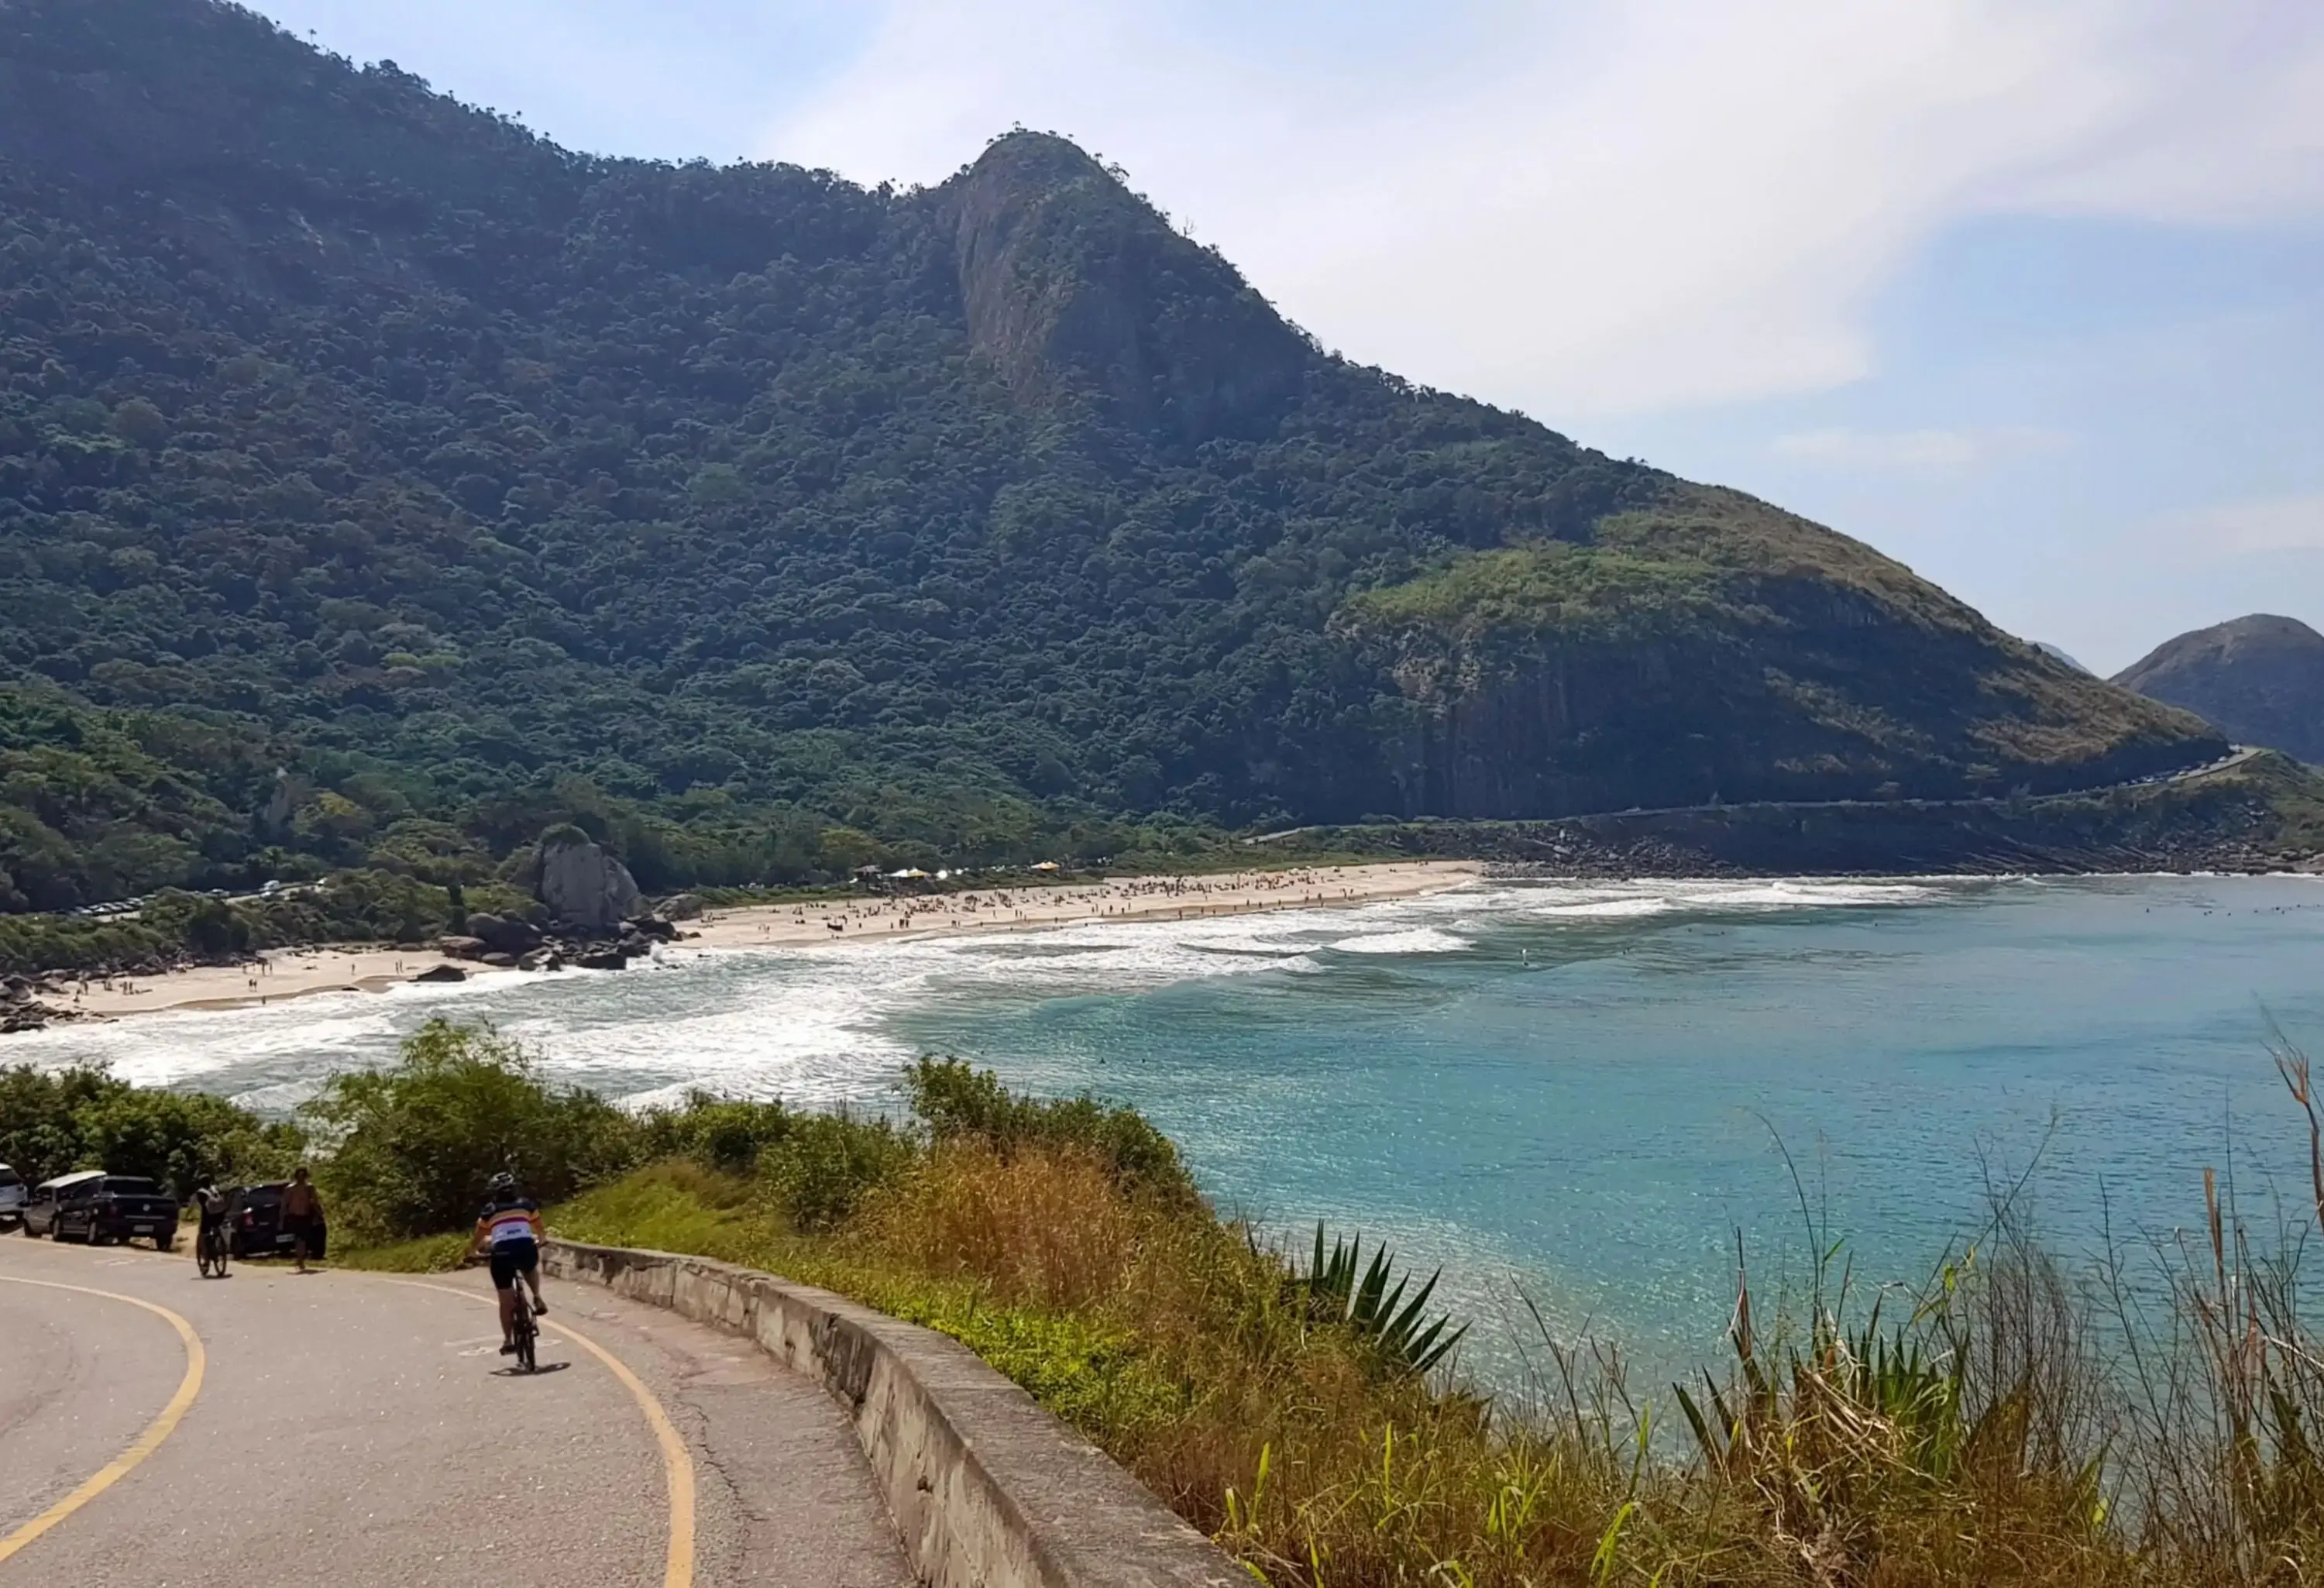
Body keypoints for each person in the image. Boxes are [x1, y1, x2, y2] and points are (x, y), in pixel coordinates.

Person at [471, 1172, 547, 1354]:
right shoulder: (526, 1204)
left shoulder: (489, 1210)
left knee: (505, 1299)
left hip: (502, 1252)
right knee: (530, 1267)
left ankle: (508, 1340)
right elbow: (539, 1227)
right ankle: (537, 1297)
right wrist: (542, 1239)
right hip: (525, 1247)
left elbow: (479, 1236)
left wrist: (473, 1251)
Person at [280, 1165, 323, 1273]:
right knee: (299, 1238)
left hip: (306, 1215)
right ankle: (300, 1259)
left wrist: (319, 1213)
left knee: (303, 1238)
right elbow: (284, 1205)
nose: (301, 1178)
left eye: (303, 1175)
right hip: (294, 1216)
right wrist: (282, 1219)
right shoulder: (290, 1189)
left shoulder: (309, 1187)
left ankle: (300, 1258)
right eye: (299, 1175)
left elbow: (315, 1201)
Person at [192, 1181, 230, 1267]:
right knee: (216, 1228)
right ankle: (220, 1242)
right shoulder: (215, 1188)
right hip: (221, 1214)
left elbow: (200, 1205)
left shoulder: (201, 1192)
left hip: (209, 1215)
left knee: (204, 1235)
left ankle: (206, 1259)